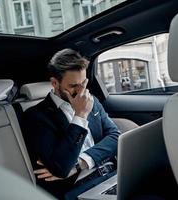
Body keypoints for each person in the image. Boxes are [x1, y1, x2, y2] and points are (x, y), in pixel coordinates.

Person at [23, 49, 120, 199]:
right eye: (74, 86)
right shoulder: (36, 117)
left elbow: (115, 137)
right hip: (78, 189)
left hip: (110, 173)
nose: (81, 91)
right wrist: (80, 115)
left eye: (84, 83)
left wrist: (80, 163)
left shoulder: (91, 100)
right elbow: (60, 168)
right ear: (55, 83)